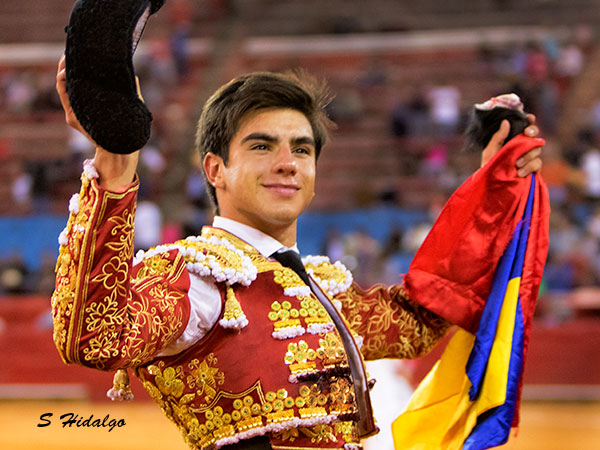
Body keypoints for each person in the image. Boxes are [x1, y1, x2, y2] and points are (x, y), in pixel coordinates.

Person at [51, 54, 543, 450]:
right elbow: (96, 338)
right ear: (215, 169)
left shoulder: (319, 287)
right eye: (262, 147)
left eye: (302, 149)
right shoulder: (196, 277)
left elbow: (418, 320)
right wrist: (114, 168)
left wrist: (495, 186)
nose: (288, 163)